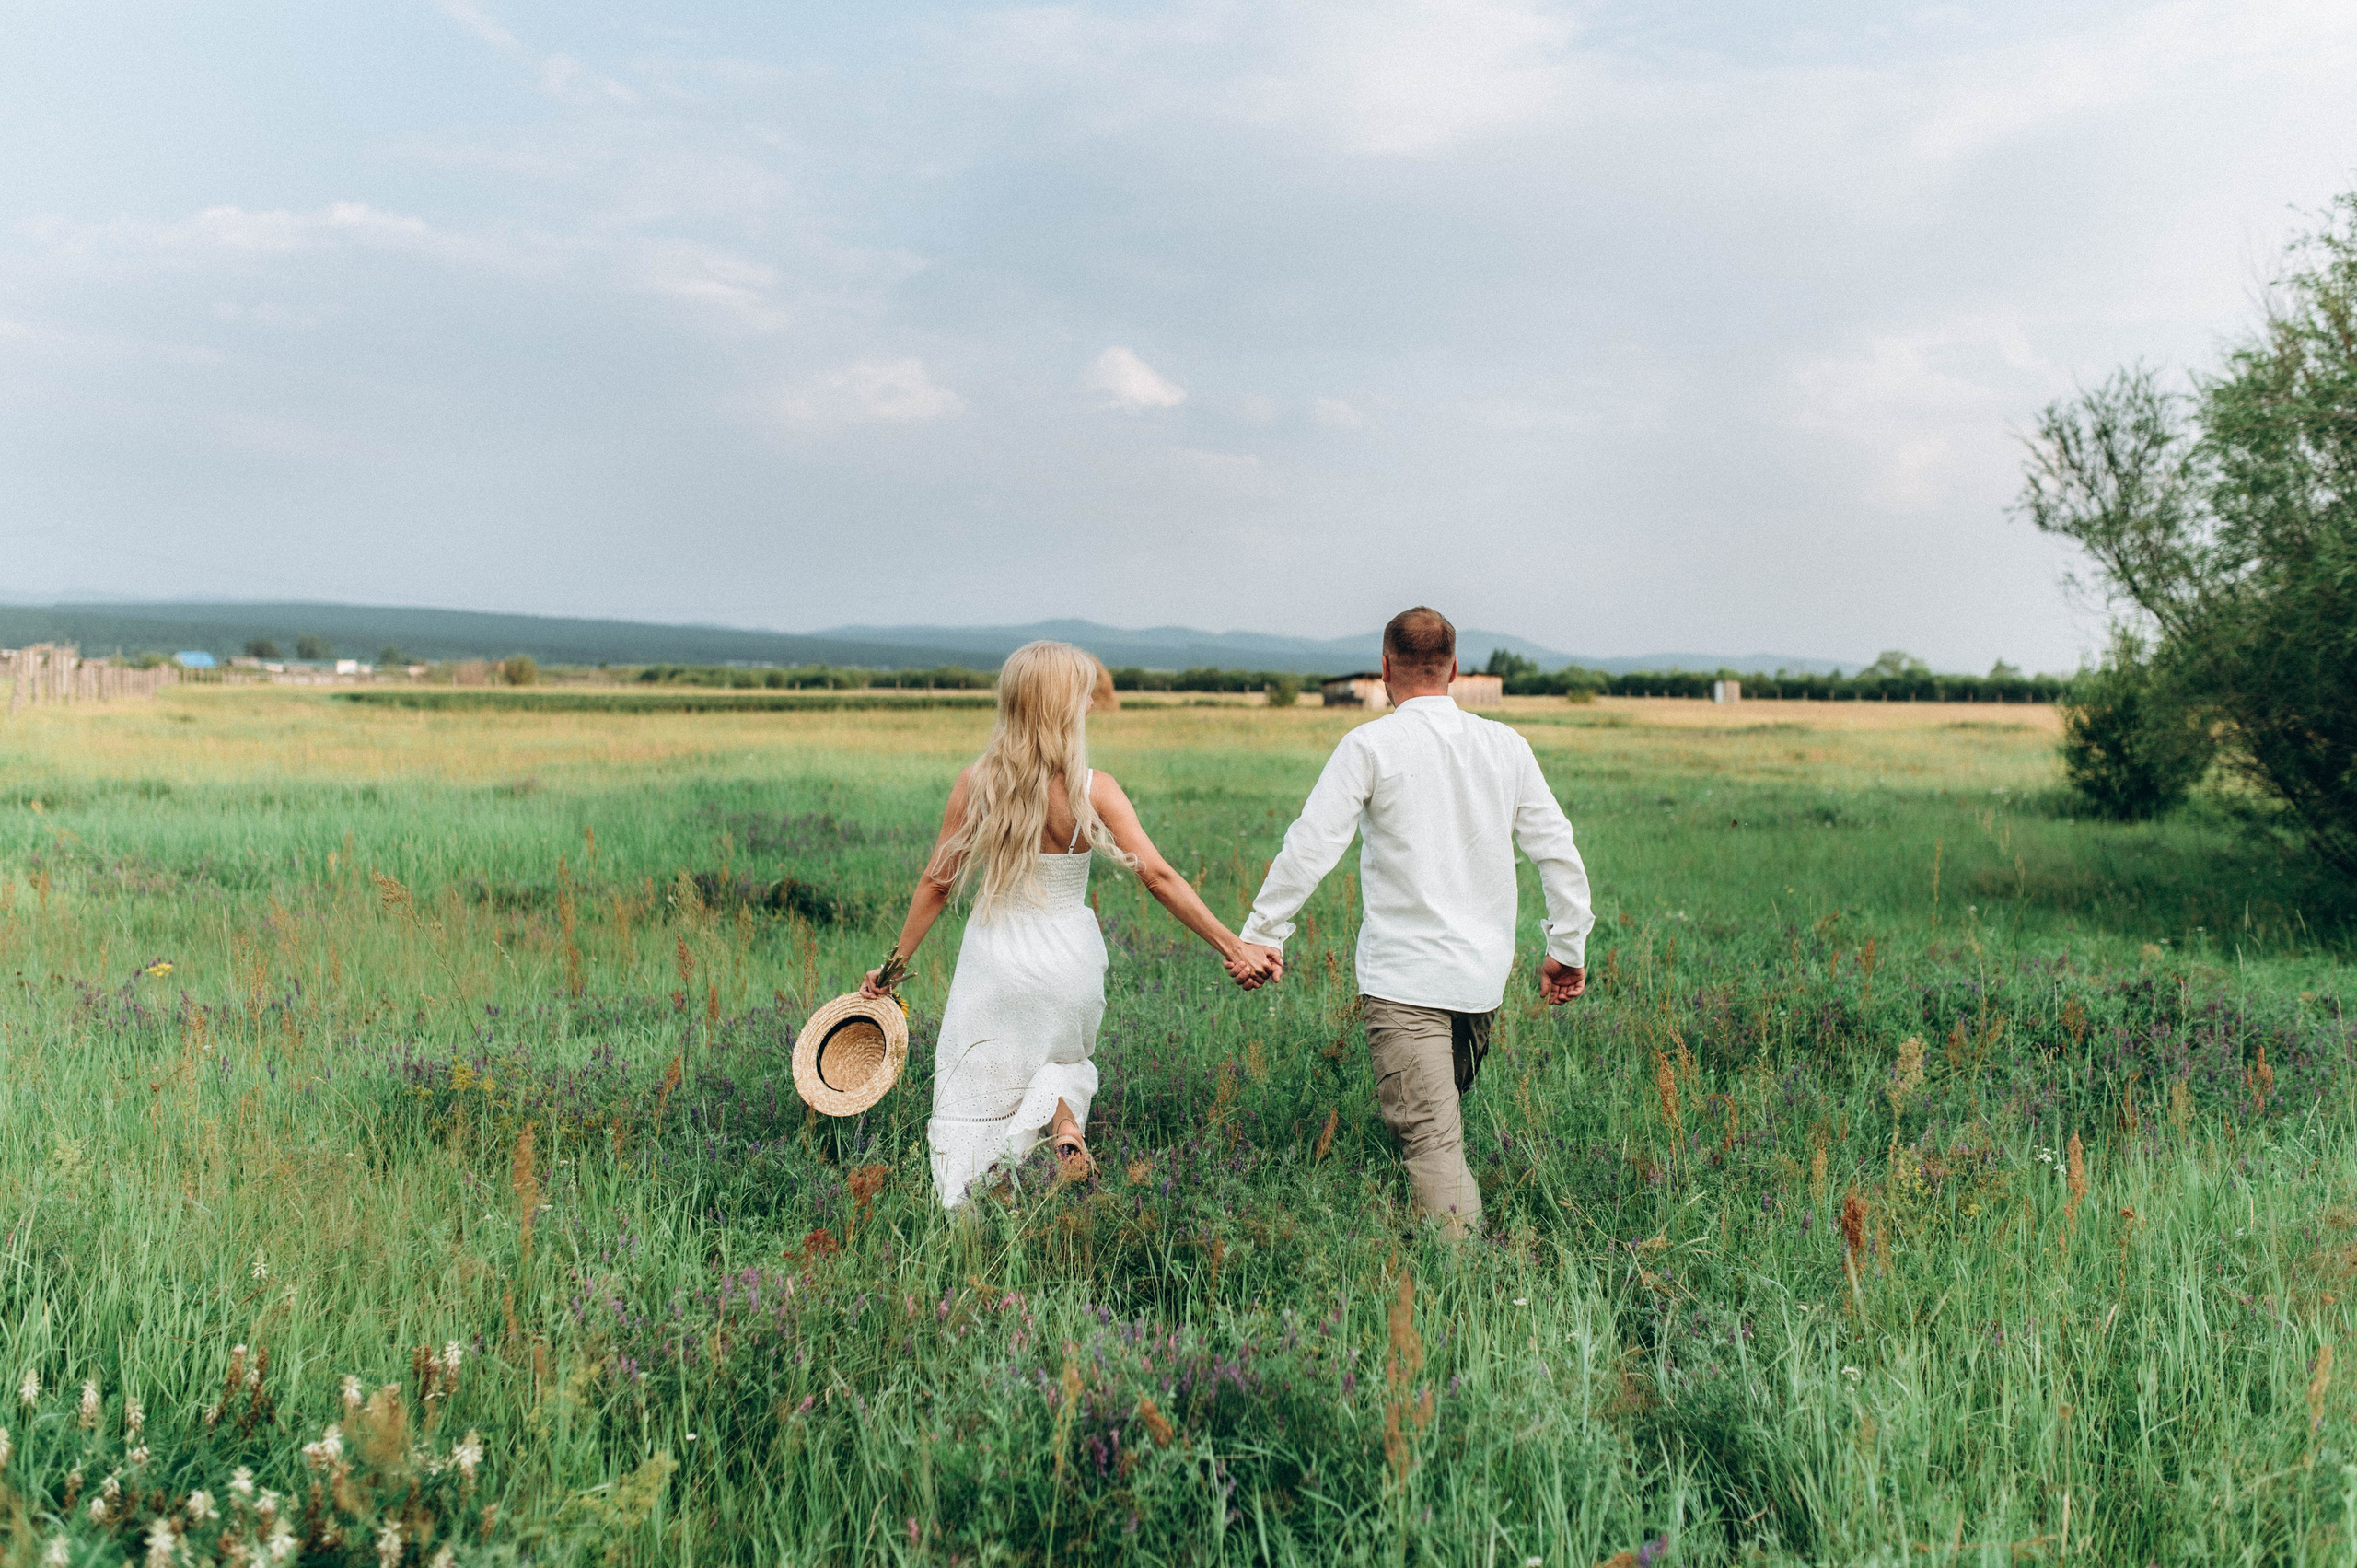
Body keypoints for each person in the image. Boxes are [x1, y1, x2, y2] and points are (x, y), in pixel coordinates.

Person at [865, 640, 1275, 1208]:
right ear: (1064, 707)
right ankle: (1066, 1138)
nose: (1089, 704)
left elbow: (937, 884)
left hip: (996, 959)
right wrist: (1234, 946)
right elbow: (1158, 875)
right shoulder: (1092, 789)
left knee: (985, 1080)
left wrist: (891, 969)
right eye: (1083, 695)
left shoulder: (977, 782)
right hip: (1068, 959)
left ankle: (987, 1189)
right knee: (1062, 1061)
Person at [1235, 607, 1592, 1237]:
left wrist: (1264, 932)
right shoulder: (1506, 746)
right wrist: (1567, 945)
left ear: (1383, 668)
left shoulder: (1369, 745)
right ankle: (1418, 1240)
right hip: (1480, 984)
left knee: (1431, 1141)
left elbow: (1310, 844)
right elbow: (1555, 847)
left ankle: (1465, 1295)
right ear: (1453, 668)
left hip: (1405, 981)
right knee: (1435, 1126)